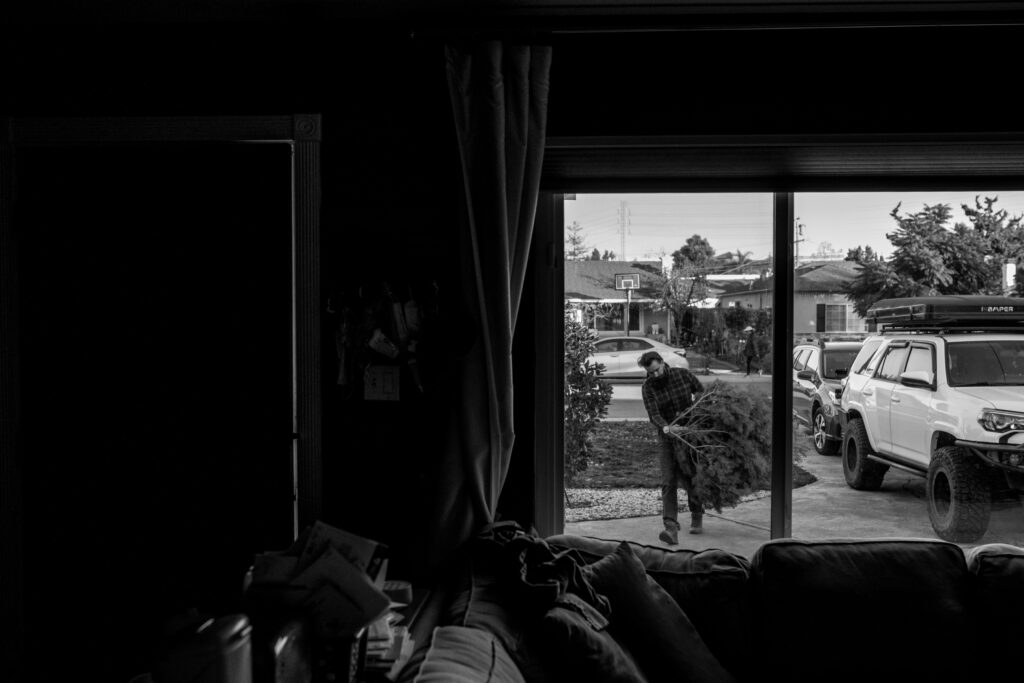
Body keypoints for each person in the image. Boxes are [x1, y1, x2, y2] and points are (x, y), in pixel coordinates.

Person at [638, 350, 705, 544]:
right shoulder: (648, 387)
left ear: (662, 363)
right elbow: (653, 414)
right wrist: (667, 427)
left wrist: (696, 414)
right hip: (667, 435)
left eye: (657, 370)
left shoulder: (682, 375)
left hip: (689, 432)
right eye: (651, 372)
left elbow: (700, 392)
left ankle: (697, 513)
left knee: (690, 475)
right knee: (668, 480)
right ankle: (671, 528)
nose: (655, 375)